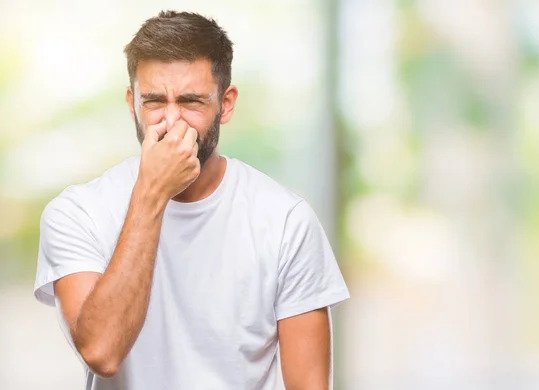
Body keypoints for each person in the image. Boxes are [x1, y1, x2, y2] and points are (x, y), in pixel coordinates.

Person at [33, 10, 349, 390]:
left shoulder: (286, 222)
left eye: (191, 101)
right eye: (153, 102)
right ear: (131, 102)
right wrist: (153, 192)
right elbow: (102, 351)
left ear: (226, 104)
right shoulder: (76, 214)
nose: (171, 122)